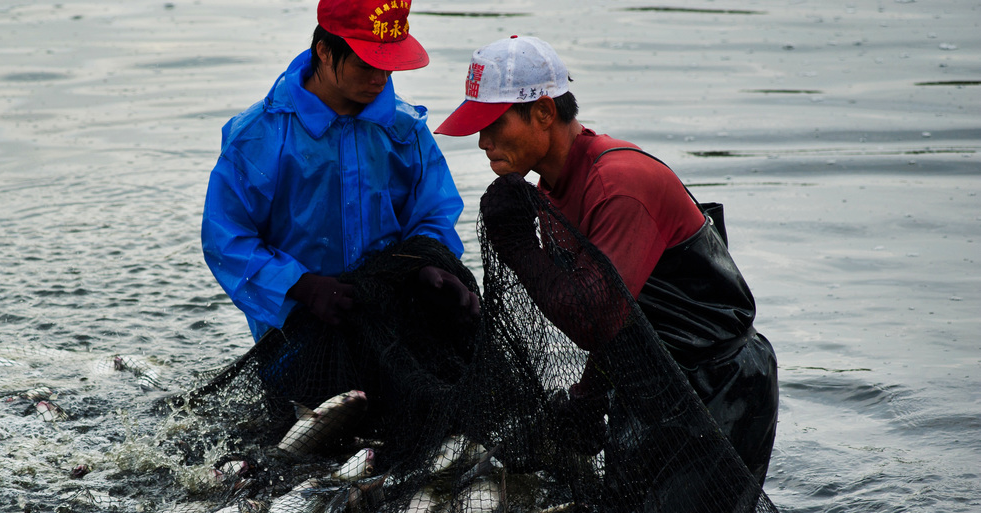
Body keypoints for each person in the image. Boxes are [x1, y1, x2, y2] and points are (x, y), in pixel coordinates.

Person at [435, 35, 778, 488]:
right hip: (650, 388)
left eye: (493, 124)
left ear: (543, 112)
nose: (482, 142)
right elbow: (622, 320)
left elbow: (596, 318)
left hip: (720, 388)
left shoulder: (619, 185)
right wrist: (589, 398)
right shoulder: (551, 189)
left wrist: (518, 247)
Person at [201, 0, 479, 346]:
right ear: (325, 52)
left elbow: (434, 212)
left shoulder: (405, 131)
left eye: (389, 67)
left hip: (391, 324)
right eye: (367, 65)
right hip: (296, 333)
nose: (380, 80)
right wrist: (301, 287)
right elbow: (225, 238)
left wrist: (425, 265)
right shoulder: (260, 136)